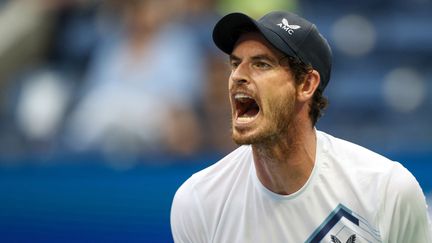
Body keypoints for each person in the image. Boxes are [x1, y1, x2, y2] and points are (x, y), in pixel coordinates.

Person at [170, 10, 432, 243]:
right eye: (236, 63)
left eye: (262, 64)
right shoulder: (198, 201)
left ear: (306, 85)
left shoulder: (386, 189)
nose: (237, 76)